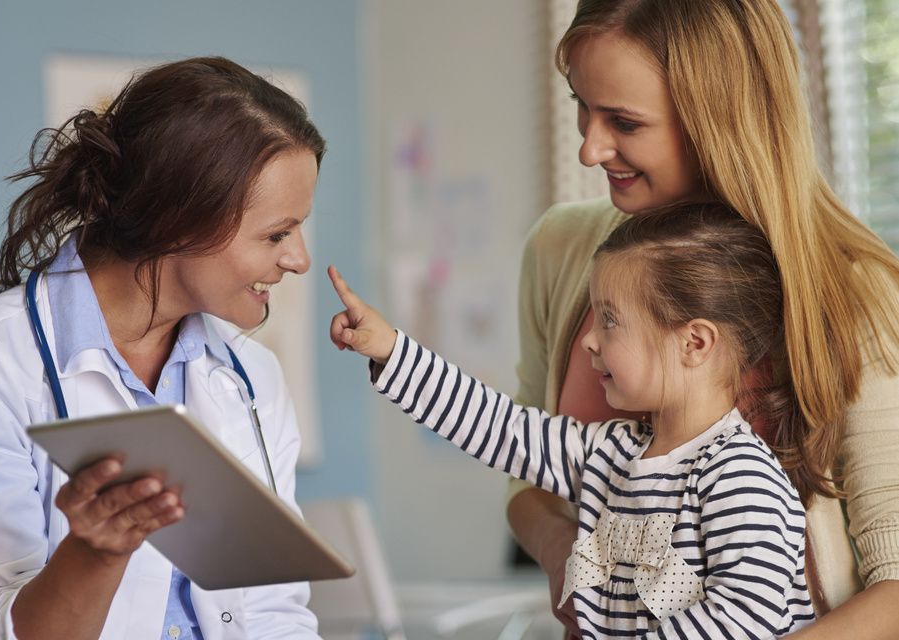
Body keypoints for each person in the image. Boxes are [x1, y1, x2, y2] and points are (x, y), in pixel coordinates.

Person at [506, 1, 899, 638]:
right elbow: (528, 484)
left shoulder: (853, 291)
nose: (589, 148)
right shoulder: (559, 250)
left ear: (718, 120)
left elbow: (895, 586)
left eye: (624, 122)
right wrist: (563, 552)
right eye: (582, 104)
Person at [0, 57, 324, 639]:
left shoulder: (251, 376)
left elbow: (275, 614)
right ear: (178, 220)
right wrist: (93, 554)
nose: (299, 259)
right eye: (276, 234)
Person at [327, 203, 816, 637]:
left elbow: (743, 618)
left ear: (694, 343)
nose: (588, 341)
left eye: (609, 319)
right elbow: (499, 428)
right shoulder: (606, 452)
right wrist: (392, 351)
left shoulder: (741, 477)